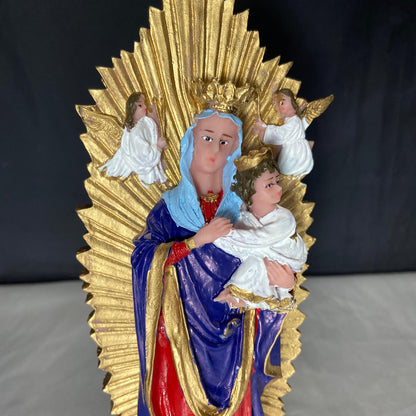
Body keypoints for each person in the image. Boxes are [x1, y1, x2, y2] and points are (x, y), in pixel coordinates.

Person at [131, 109, 294, 415]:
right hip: (181, 330)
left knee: (238, 391)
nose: (216, 148)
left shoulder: (247, 210)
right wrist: (195, 241)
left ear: (235, 148)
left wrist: (286, 284)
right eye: (207, 138)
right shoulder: (170, 209)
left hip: (236, 327)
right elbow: (143, 260)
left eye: (225, 141)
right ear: (189, 142)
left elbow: (275, 258)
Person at [214, 147, 307, 310]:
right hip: (265, 260)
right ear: (249, 191)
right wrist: (218, 236)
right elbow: (239, 246)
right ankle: (240, 297)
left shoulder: (284, 218)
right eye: (269, 185)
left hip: (285, 260)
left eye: (277, 181)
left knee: (256, 261)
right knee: (255, 262)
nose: (278, 188)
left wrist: (224, 234)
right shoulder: (244, 216)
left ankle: (261, 297)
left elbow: (257, 239)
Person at [99, 92, 168, 186]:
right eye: (140, 105)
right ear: (132, 109)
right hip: (144, 170)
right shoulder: (136, 133)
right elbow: (143, 156)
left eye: (144, 104)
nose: (145, 107)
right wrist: (158, 147)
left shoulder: (144, 123)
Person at [253, 88, 313, 177]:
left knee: (282, 165)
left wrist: (264, 128)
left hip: (296, 158)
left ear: (292, 103)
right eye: (277, 104)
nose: (279, 108)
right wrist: (264, 127)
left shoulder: (295, 121)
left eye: (282, 102)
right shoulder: (291, 120)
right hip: (295, 156)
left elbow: (281, 134)